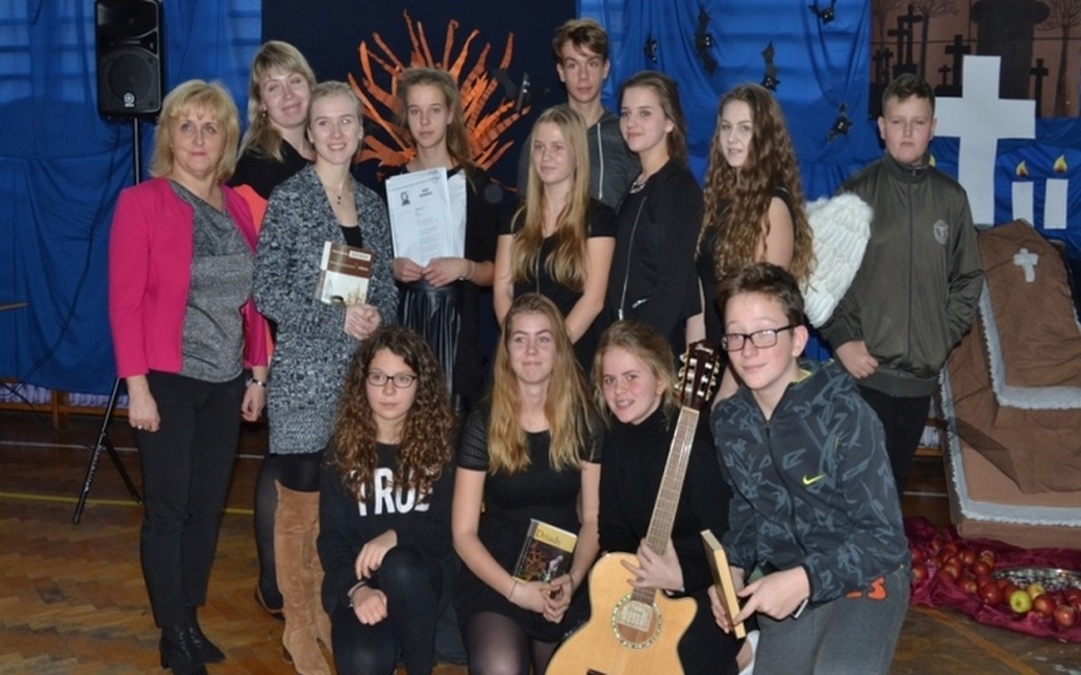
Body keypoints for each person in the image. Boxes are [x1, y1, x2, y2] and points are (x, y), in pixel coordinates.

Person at [108, 79, 269, 675]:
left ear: (226, 140)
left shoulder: (237, 206)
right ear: (169, 137)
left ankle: (190, 618)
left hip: (226, 383)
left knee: (206, 509)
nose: (199, 138)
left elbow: (253, 300)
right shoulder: (141, 203)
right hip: (166, 381)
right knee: (169, 511)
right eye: (187, 126)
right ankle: (172, 632)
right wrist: (138, 387)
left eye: (211, 127)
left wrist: (257, 374)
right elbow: (124, 303)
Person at [254, 80, 398, 675]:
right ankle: (299, 627)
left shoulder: (372, 205)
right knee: (299, 510)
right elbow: (267, 290)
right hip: (304, 382)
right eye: (324, 123)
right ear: (309, 134)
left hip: (359, 384)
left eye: (346, 122)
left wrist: (375, 315)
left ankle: (327, 618)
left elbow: (388, 288)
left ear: (360, 132)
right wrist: (336, 318)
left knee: (340, 512)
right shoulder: (290, 200)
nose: (336, 133)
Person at [709, 262, 910, 675]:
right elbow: (747, 509)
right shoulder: (729, 422)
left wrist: (804, 579)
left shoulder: (846, 415)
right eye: (736, 335)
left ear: (797, 340)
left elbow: (885, 540)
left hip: (864, 574)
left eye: (765, 333)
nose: (748, 349)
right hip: (785, 581)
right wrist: (733, 567)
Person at [819, 73, 983, 493]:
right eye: (897, 121)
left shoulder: (952, 198)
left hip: (918, 380)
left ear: (933, 127)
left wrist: (939, 336)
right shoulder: (857, 194)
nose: (907, 132)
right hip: (865, 374)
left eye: (918, 122)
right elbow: (821, 276)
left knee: (893, 490)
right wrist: (843, 339)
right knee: (857, 490)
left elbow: (968, 277)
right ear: (881, 126)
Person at [452, 293, 601, 674]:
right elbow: (463, 534)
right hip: (497, 576)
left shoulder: (585, 420)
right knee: (500, 667)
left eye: (543, 338)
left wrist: (573, 579)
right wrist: (516, 591)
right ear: (506, 351)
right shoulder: (482, 421)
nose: (531, 350)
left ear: (559, 349)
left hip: (565, 572)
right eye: (520, 339)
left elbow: (592, 519)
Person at [593, 321, 744, 675]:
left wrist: (680, 578)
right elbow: (612, 526)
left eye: (631, 377)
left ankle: (745, 653)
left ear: (661, 380)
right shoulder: (615, 438)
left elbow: (727, 541)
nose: (619, 390)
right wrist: (632, 572)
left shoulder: (695, 442)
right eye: (609, 380)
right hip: (641, 581)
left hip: (703, 587)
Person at [227, 39, 316, 621]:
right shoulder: (255, 169)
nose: (286, 95)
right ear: (259, 100)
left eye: (294, 81)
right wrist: (262, 362)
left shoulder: (326, 152)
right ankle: (273, 586)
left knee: (313, 458)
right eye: (272, 87)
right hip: (279, 335)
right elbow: (256, 271)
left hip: (327, 333)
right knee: (285, 457)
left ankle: (307, 574)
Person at [318, 326, 457, 675]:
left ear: (421, 384)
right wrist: (356, 590)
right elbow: (331, 539)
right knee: (363, 663)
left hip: (423, 579)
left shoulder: (442, 446)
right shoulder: (341, 450)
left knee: (400, 564)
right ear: (363, 381)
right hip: (362, 580)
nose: (389, 390)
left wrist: (395, 536)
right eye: (378, 377)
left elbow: (444, 532)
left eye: (402, 378)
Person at [387, 67, 499, 415]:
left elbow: (497, 271)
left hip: (459, 333)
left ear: (450, 114)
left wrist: (464, 267)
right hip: (406, 323)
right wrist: (392, 267)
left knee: (452, 428)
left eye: (434, 110)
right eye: (415, 111)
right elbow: (374, 264)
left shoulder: (476, 184)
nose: (425, 121)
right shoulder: (390, 185)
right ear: (406, 117)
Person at [688, 83, 814, 350]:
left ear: (765, 136)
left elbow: (767, 307)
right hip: (716, 350)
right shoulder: (716, 201)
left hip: (751, 354)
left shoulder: (773, 206)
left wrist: (736, 368)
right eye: (726, 127)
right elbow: (701, 291)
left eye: (744, 128)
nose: (732, 138)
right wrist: (696, 355)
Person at [494, 105, 615, 372]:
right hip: (517, 360)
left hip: (571, 356)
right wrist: (518, 345)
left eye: (557, 148)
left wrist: (551, 352)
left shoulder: (599, 218)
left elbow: (593, 300)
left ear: (577, 154)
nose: (546, 157)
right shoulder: (515, 216)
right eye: (539, 147)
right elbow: (502, 290)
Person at [606, 71, 702, 355]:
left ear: (670, 122)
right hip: (623, 341)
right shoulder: (636, 185)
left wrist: (641, 348)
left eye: (644, 113)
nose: (631, 123)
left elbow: (673, 284)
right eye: (626, 113)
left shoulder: (678, 187)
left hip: (654, 350)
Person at [516, 18, 638, 208]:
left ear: (605, 68)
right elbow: (526, 211)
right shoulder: (542, 139)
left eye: (592, 64)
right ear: (561, 71)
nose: (583, 76)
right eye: (573, 65)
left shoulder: (625, 137)